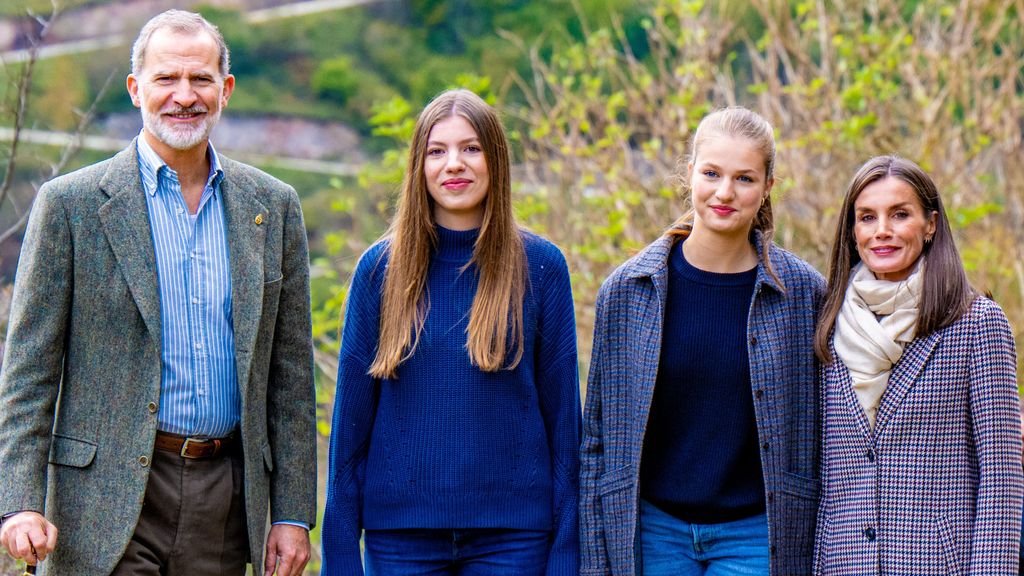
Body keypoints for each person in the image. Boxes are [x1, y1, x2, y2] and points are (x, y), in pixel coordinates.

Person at [0, 10, 316, 576]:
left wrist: (293, 515)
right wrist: (19, 502)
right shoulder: (69, 205)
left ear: (226, 89)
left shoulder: (274, 206)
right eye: (166, 78)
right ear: (135, 88)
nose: (184, 96)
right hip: (103, 499)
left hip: (227, 498)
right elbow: (29, 370)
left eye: (200, 79)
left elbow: (289, 377)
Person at [320, 89, 580, 575]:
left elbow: (565, 422)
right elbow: (350, 429)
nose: (453, 164)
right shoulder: (380, 270)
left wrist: (567, 551)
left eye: (471, 148)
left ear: (496, 161)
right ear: (419, 165)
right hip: (400, 540)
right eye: (437, 151)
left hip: (515, 540)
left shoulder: (542, 268)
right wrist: (339, 556)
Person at [579, 107, 826, 575]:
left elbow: (824, 432)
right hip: (653, 531)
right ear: (689, 173)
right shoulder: (628, 290)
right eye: (711, 173)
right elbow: (597, 441)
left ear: (768, 186)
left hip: (758, 535)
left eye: (745, 178)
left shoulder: (803, 294)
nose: (725, 192)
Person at [812, 155, 1022, 574]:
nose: (882, 231)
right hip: (842, 561)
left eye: (900, 214)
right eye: (867, 217)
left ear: (930, 225)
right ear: (852, 233)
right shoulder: (826, 324)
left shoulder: (976, 323)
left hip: (939, 563)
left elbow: (1001, 478)